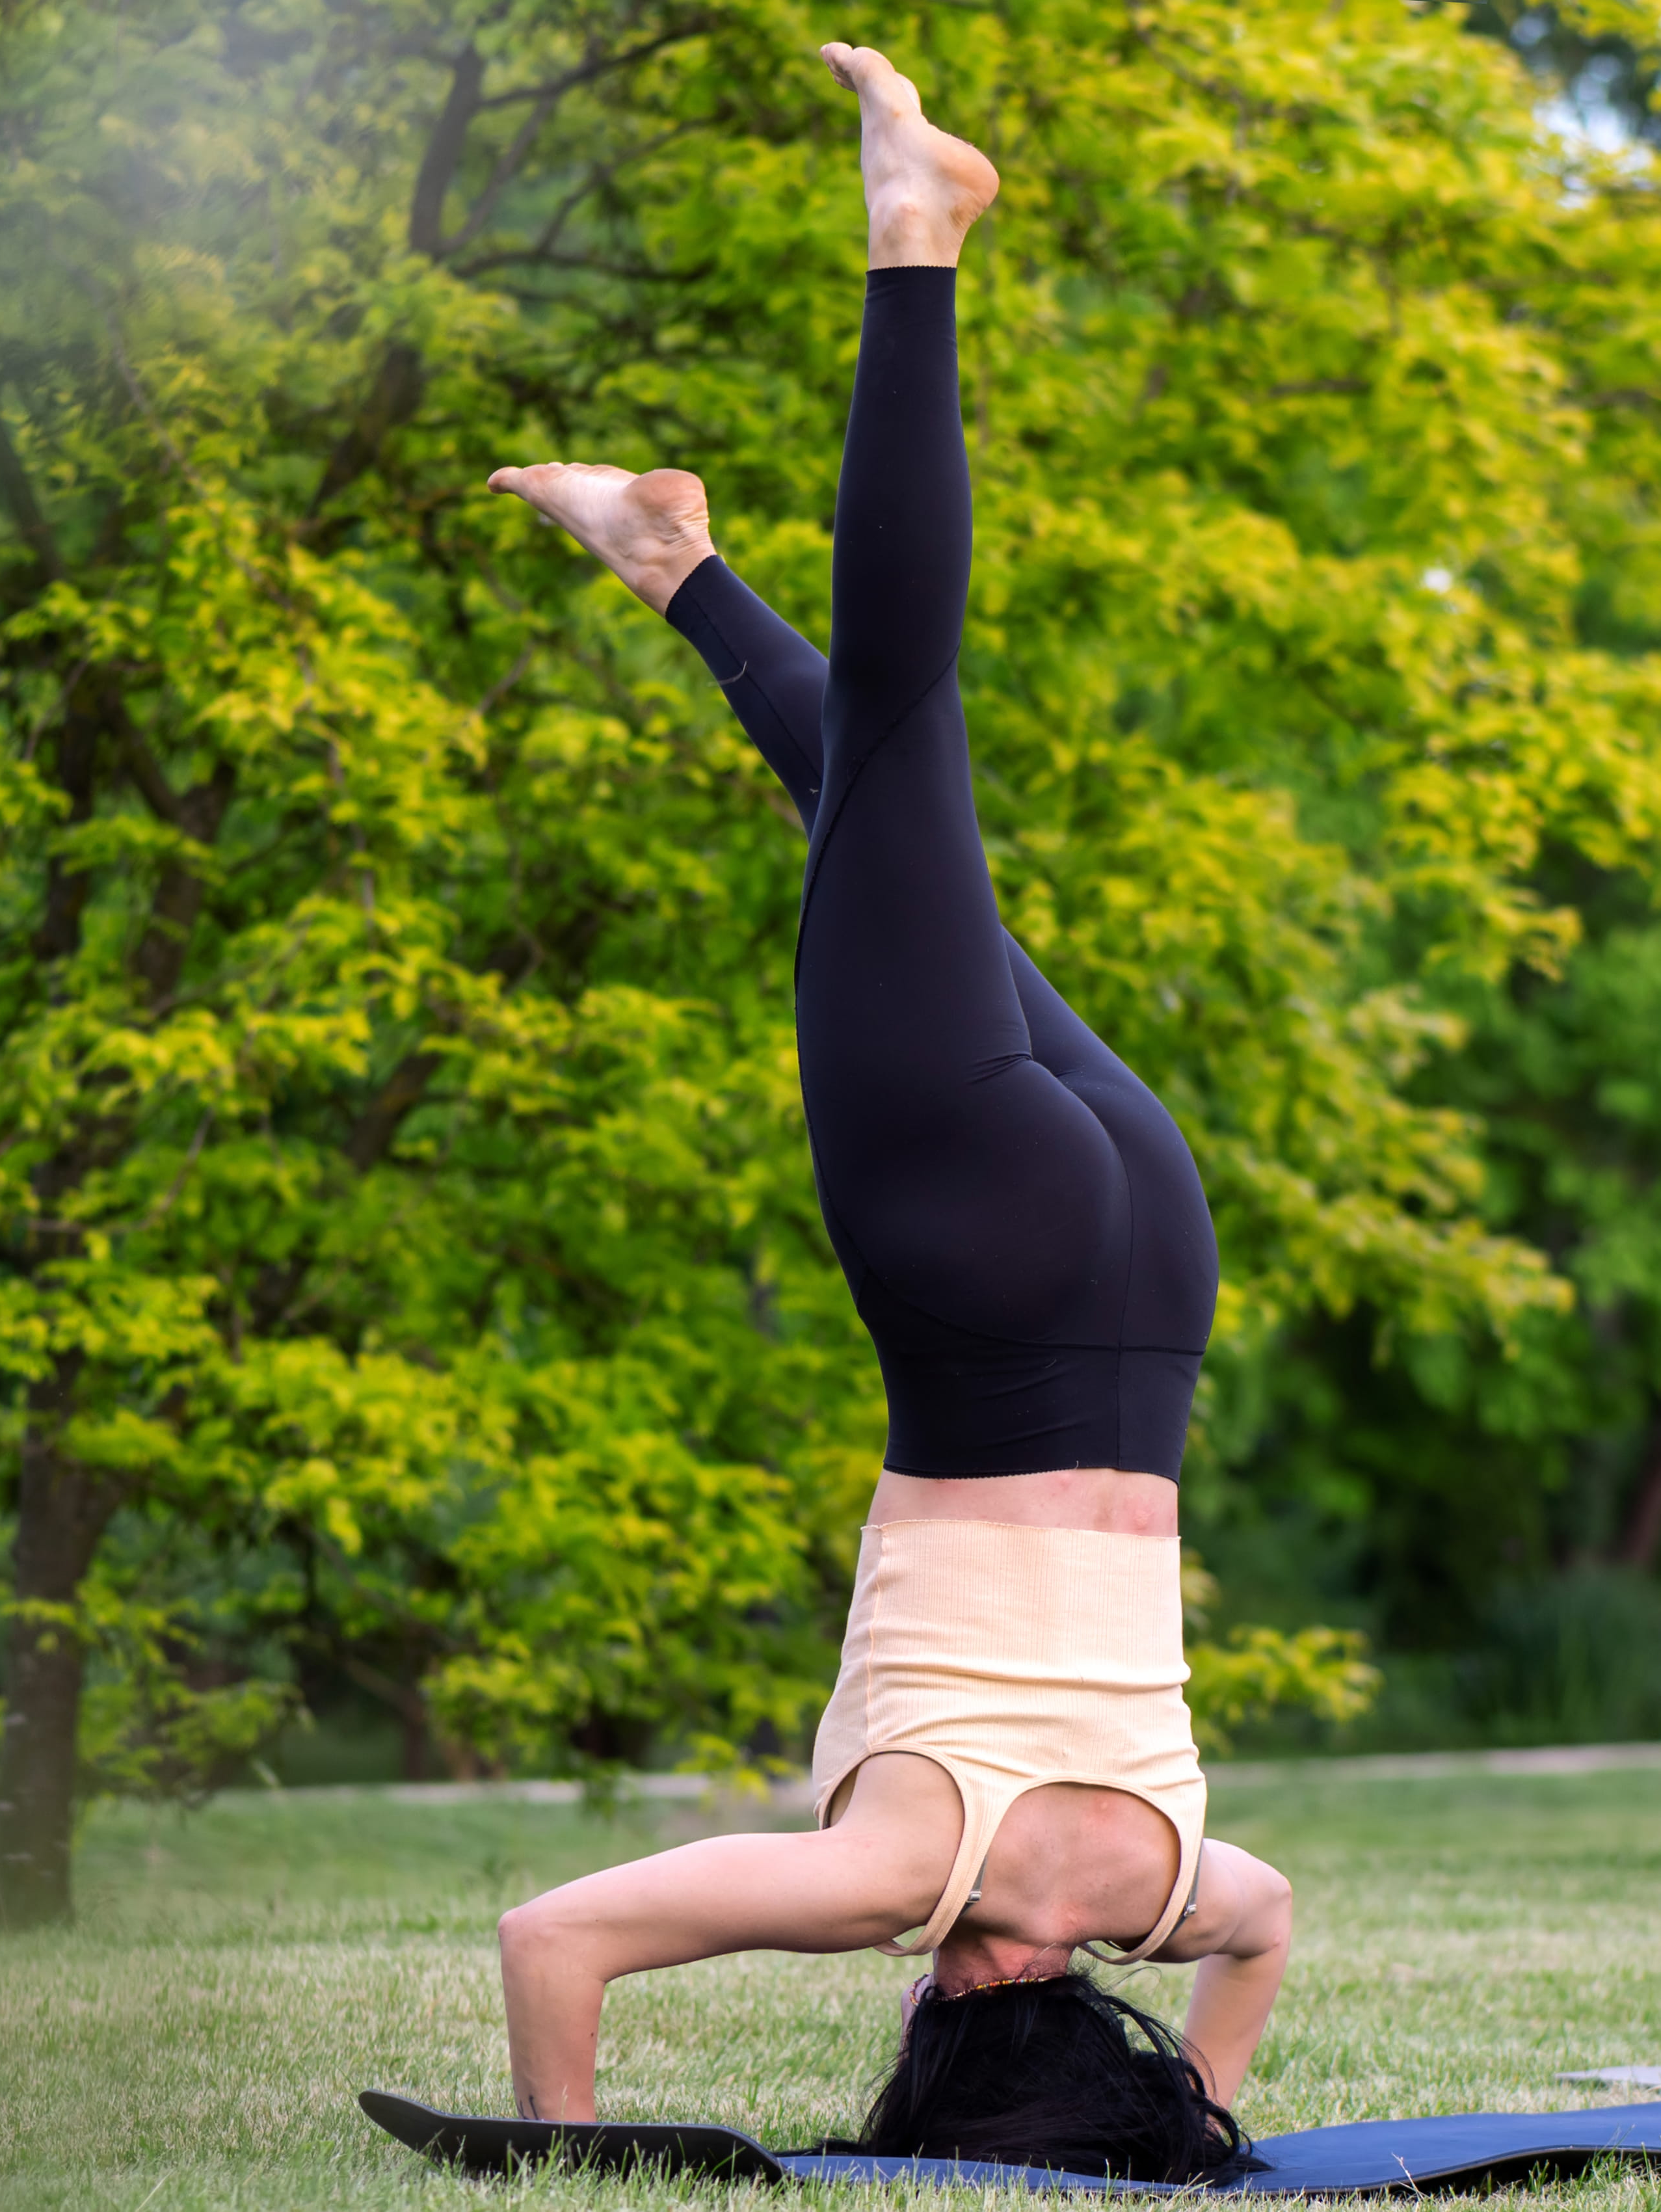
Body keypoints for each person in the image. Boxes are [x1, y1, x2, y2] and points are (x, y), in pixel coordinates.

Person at [470, 45, 1292, 2181]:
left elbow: (1267, 1934)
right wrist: (573, 2155)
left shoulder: (1163, 1892)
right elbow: (547, 1934)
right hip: (984, 1270)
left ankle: (670, 566)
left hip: (1146, 1276)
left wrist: (1201, 2110)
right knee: (905, 741)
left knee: (890, 828)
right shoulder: (896, 1886)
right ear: (957, 2038)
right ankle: (914, 230)